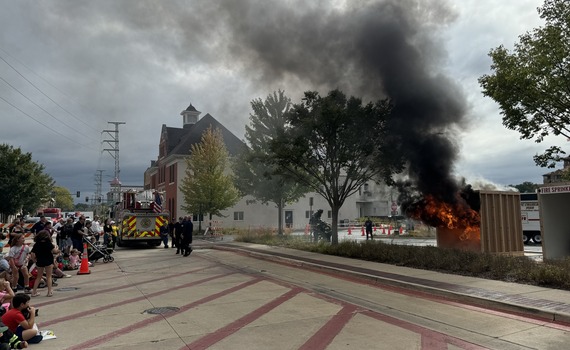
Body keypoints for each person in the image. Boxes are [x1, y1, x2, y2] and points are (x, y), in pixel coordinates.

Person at [30, 230, 58, 297]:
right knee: (49, 276)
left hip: (40, 261)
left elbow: (32, 254)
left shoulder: (37, 244)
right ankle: (49, 292)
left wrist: (34, 261)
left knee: (38, 277)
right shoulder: (48, 243)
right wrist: (57, 248)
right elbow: (55, 251)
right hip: (48, 260)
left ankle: (34, 292)